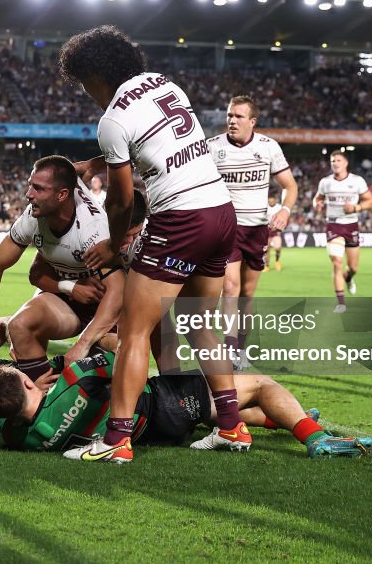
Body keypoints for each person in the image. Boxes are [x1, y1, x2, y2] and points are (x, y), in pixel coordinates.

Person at [58, 25, 244, 463]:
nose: (88, 93)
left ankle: (117, 441)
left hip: (179, 218)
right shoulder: (164, 84)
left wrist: (111, 242)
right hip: (220, 211)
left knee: (135, 331)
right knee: (201, 325)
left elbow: (122, 198)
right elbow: (155, 138)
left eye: (84, 84)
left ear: (97, 76)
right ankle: (232, 428)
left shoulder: (111, 120)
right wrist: (96, 161)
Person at [0, 351, 372, 459]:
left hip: (153, 434)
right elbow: (122, 361)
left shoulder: (19, 438)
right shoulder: (72, 382)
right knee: (257, 383)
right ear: (29, 380)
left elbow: (18, 420)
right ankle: (314, 436)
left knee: (224, 409)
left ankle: (291, 419)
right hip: (163, 403)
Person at [0, 156, 128, 380]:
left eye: (38, 189)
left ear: (62, 194)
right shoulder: (32, 217)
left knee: (115, 349)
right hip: (69, 302)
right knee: (20, 325)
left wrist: (82, 345)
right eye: (30, 185)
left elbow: (118, 290)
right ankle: (39, 400)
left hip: (106, 307)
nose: (28, 195)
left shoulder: (92, 230)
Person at [208, 95, 298, 364]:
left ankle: (242, 346)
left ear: (253, 121)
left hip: (257, 230)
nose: (232, 121)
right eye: (229, 115)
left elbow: (290, 186)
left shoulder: (268, 147)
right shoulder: (212, 148)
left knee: (247, 293)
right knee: (231, 286)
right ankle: (231, 347)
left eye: (238, 116)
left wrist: (284, 210)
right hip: (226, 230)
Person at [313, 151, 372, 313]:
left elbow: (370, 201)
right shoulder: (325, 182)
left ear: (345, 163)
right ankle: (341, 302)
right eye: (332, 161)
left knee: (353, 267)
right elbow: (317, 198)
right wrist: (317, 204)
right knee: (337, 263)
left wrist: (356, 208)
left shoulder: (357, 181)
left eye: (338, 160)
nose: (335, 163)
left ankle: (349, 278)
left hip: (351, 225)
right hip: (333, 225)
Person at [265, 193, 285, 272]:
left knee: (278, 247)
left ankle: (277, 261)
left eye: (272, 201)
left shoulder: (279, 207)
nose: (271, 202)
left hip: (276, 230)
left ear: (275, 200)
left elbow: (283, 218)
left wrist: (277, 226)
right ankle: (267, 266)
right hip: (266, 230)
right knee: (266, 249)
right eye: (269, 201)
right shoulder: (265, 207)